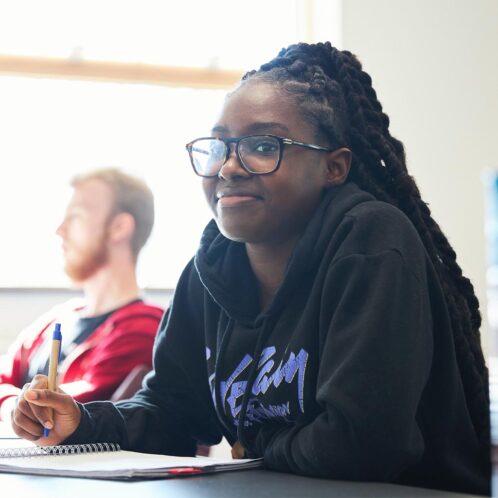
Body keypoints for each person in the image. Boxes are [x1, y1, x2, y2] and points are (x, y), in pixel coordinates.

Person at [10, 43, 490, 495]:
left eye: (263, 145)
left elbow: (362, 446)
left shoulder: (370, 241)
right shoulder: (211, 264)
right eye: (219, 147)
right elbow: (173, 413)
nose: (230, 167)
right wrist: (81, 422)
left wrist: (254, 449)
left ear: (334, 167)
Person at [0, 168, 163, 420]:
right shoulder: (55, 320)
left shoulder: (144, 327)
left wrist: (14, 405)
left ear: (119, 227)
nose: (59, 230)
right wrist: (13, 407)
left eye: (75, 217)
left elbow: (65, 412)